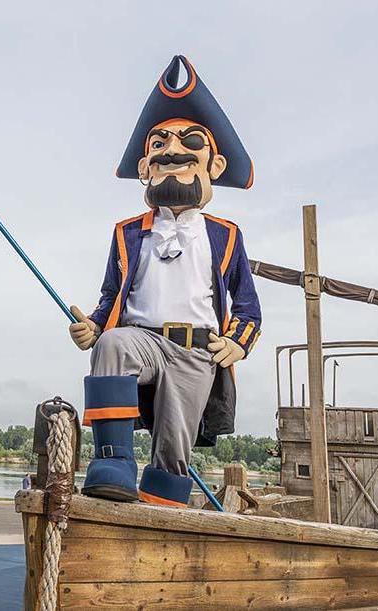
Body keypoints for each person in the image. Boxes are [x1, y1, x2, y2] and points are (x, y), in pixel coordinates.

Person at [68, 55, 262, 507]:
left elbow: (248, 307)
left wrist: (238, 342)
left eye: (189, 147)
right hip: (142, 338)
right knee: (112, 345)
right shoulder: (127, 232)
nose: (172, 157)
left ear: (213, 167)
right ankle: (112, 464)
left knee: (174, 447)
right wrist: (94, 326)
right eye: (159, 151)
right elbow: (111, 296)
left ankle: (164, 512)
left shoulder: (226, 235)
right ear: (145, 170)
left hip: (196, 350)